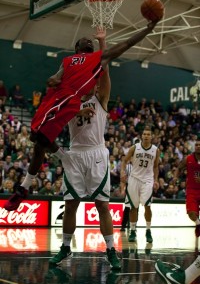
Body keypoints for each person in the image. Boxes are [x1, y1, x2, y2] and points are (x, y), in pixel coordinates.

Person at [4, 19, 158, 212]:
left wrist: (148, 28)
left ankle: (27, 185)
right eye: (83, 41)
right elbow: (57, 76)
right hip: (57, 96)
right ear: (76, 48)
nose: (87, 40)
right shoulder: (67, 61)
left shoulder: (96, 60)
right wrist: (53, 79)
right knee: (38, 140)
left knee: (41, 138)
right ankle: (26, 186)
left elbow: (125, 45)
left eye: (90, 42)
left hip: (71, 100)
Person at [49, 28, 121, 270]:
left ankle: (111, 250)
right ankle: (65, 248)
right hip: (75, 154)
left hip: (97, 154)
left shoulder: (101, 97)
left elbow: (106, 67)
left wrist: (102, 41)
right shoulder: (69, 98)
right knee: (71, 205)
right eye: (85, 47)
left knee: (102, 205)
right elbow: (56, 99)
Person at [120, 126, 160, 243]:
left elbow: (156, 166)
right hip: (134, 179)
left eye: (148, 134)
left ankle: (148, 230)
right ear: (141, 136)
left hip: (147, 180)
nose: (146, 136)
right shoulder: (135, 147)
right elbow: (124, 160)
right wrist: (123, 171)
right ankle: (133, 231)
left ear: (151, 137)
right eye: (144, 134)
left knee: (147, 206)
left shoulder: (155, 150)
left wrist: (156, 179)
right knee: (133, 207)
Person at [173, 139, 200, 237]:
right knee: (191, 213)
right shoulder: (188, 159)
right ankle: (198, 224)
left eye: (199, 145)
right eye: (196, 145)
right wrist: (175, 177)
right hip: (192, 190)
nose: (198, 146)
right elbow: (179, 168)